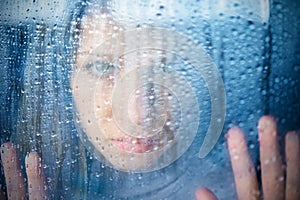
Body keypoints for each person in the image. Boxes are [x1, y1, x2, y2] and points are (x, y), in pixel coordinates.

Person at [1, 1, 299, 199]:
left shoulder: (232, 190)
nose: (138, 113)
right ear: (66, 77)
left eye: (165, 68)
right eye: (104, 67)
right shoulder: (41, 184)